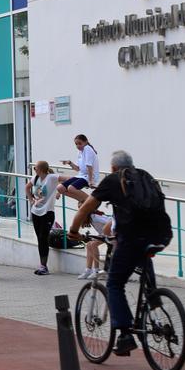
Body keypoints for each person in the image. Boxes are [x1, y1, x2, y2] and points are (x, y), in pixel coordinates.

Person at [68, 150, 172, 358]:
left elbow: (86, 207)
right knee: (143, 256)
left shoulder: (114, 180)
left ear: (114, 167)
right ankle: (153, 300)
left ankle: (125, 335)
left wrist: (73, 230)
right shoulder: (146, 177)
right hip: (160, 236)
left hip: (131, 238)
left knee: (115, 284)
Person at [27, 160, 60, 275]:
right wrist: (31, 200)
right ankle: (42, 265)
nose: (34, 170)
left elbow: (65, 179)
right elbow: (27, 187)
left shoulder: (50, 178)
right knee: (39, 239)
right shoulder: (35, 178)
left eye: (35, 168)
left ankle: (44, 266)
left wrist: (60, 191)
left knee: (43, 237)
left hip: (47, 212)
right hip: (35, 212)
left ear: (40, 169)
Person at [57, 134, 99, 204]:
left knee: (71, 188)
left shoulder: (87, 148)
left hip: (89, 176)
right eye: (76, 144)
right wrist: (69, 162)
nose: (78, 146)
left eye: (80, 143)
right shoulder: (80, 152)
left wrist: (91, 181)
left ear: (85, 142)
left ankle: (92, 201)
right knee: (60, 188)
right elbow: (77, 169)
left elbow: (89, 166)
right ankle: (82, 200)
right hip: (81, 175)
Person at [80, 211, 115, 280]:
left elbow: (110, 221)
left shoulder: (95, 218)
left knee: (93, 244)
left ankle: (96, 269)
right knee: (89, 244)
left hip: (111, 235)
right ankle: (88, 269)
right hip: (105, 235)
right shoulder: (91, 220)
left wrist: (104, 233)